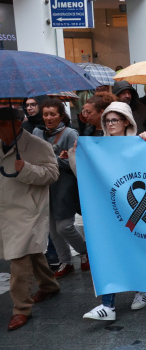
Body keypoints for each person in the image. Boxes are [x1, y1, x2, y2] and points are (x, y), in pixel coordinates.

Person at [81, 102, 146, 321]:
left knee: (135, 247)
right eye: (108, 120)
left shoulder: (138, 143)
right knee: (107, 251)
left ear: (126, 122)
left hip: (132, 206)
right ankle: (107, 305)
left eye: (115, 120)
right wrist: (78, 156)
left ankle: (142, 288)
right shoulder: (97, 147)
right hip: (107, 209)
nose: (110, 124)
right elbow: (84, 176)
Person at [0, 107, 61, 331]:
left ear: (17, 124)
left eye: (3, 124)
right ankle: (48, 284)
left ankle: (21, 309)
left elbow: (53, 174)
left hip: (28, 211)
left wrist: (26, 169)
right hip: (6, 209)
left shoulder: (38, 145)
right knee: (31, 252)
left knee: (18, 258)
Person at [32, 99, 88, 280]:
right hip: (43, 185)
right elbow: (33, 156)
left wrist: (57, 160)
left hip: (64, 185)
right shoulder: (36, 132)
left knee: (64, 226)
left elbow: (75, 161)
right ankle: (66, 261)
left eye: (53, 114)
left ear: (61, 115)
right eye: (45, 114)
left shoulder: (70, 134)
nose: (48, 118)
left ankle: (85, 251)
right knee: (52, 229)